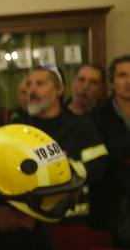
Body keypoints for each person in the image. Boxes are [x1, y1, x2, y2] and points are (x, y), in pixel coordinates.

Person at [13, 66, 108, 222]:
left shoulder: (81, 126)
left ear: (59, 90)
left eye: (40, 84)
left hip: (73, 220)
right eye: (29, 84)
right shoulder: (15, 128)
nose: (32, 90)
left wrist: (62, 170)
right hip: (27, 220)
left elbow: (98, 167)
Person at [90, 55, 130, 247]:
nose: (128, 81)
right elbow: (101, 164)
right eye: (122, 75)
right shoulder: (97, 117)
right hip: (115, 208)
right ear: (113, 83)